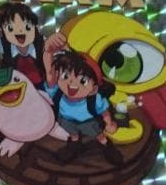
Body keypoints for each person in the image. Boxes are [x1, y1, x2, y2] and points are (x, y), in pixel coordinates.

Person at [42, 33, 122, 165]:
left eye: (83, 81)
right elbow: (50, 73)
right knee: (73, 135)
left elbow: (104, 111)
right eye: (65, 76)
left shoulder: (94, 99)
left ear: (94, 88)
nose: (71, 84)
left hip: (88, 122)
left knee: (98, 135)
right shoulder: (57, 92)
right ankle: (74, 145)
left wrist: (108, 123)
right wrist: (48, 52)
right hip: (66, 120)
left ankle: (106, 145)